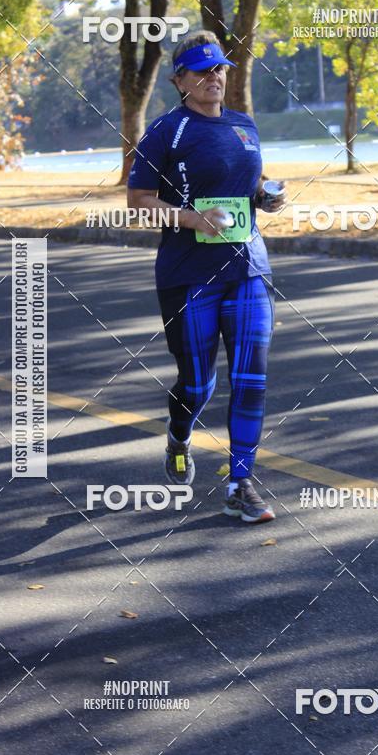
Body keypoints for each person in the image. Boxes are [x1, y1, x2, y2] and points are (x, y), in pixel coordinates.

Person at [127, 31, 285, 524]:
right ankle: (179, 433)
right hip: (188, 275)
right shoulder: (165, 131)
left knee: (251, 378)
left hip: (248, 269)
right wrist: (193, 218)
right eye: (202, 71)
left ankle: (241, 482)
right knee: (197, 383)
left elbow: (250, 189)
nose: (214, 77)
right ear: (180, 81)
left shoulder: (244, 125)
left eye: (219, 69)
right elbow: (138, 203)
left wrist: (269, 198)